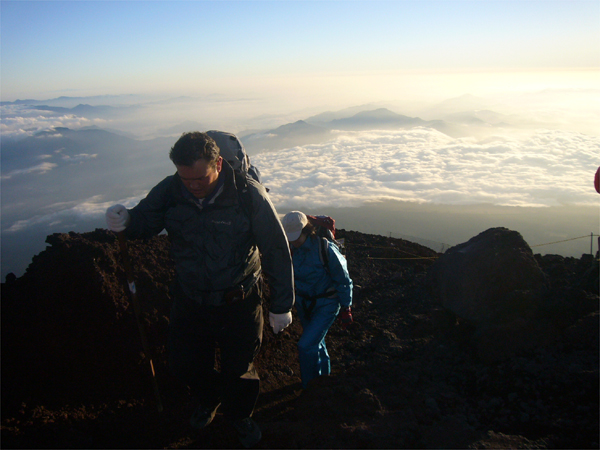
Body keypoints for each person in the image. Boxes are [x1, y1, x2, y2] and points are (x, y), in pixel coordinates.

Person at [105, 132, 294, 448]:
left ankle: (239, 415)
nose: (192, 185)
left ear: (218, 163)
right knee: (186, 364)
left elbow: (275, 249)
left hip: (240, 300)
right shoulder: (170, 190)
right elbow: (145, 221)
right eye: (185, 177)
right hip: (190, 298)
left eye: (200, 177)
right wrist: (125, 220)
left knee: (241, 369)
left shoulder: (249, 196)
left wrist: (281, 305)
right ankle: (209, 399)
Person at [281, 211, 353, 389]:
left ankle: (310, 388)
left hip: (326, 304)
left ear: (306, 230)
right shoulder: (291, 249)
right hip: (305, 304)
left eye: (296, 237)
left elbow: (343, 280)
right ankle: (324, 381)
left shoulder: (325, 248)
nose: (293, 241)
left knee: (306, 345)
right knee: (316, 343)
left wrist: (346, 308)